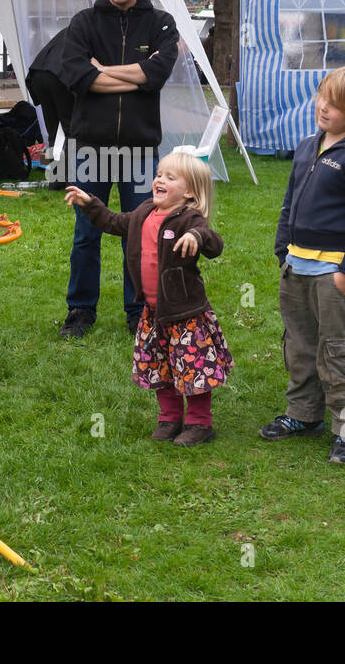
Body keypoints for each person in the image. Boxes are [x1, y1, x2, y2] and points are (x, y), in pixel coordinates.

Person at [263, 64, 345, 464]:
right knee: (299, 344)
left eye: (338, 103)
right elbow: (288, 202)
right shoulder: (305, 146)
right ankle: (303, 414)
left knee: (339, 350)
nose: (325, 107)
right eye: (323, 96)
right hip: (296, 265)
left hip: (335, 272)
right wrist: (284, 249)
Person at [56, 0, 180, 338]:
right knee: (85, 233)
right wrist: (134, 75)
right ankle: (80, 310)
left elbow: (157, 74)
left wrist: (103, 72)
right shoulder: (83, 23)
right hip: (91, 147)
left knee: (142, 231)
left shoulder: (161, 22)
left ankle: (139, 310)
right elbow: (77, 75)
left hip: (140, 149)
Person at [66, 151, 232, 446]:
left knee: (193, 368)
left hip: (186, 314)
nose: (159, 180)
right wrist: (90, 204)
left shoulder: (188, 219)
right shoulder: (143, 213)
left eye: (170, 177)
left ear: (190, 191)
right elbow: (113, 221)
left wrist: (196, 237)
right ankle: (169, 418)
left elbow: (213, 241)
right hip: (153, 312)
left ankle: (199, 424)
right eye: (158, 174)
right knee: (161, 366)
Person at [25, 25, 74, 190]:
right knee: (71, 130)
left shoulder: (70, 29)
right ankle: (70, 181)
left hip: (38, 74)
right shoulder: (92, 29)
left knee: (54, 131)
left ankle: (57, 180)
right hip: (59, 76)